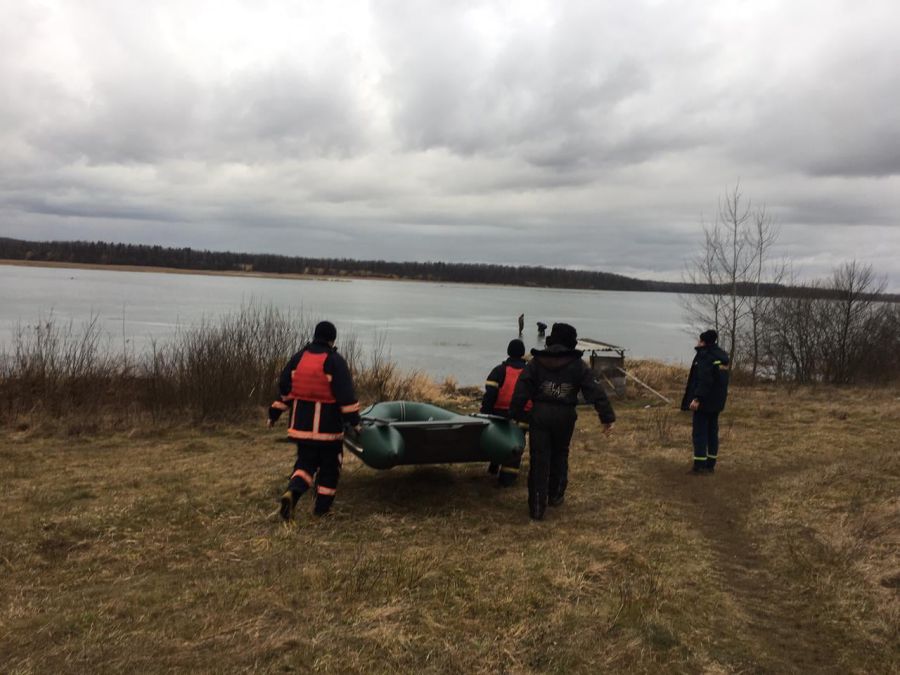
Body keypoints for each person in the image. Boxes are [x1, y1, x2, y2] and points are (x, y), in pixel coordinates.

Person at [510, 323, 615, 520]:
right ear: (571, 342)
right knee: (560, 453)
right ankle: (556, 495)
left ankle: (537, 507)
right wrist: (606, 417)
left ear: (552, 339)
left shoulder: (536, 362)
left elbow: (521, 389)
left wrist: (515, 414)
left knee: (538, 458)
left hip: (540, 414)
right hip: (565, 416)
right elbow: (595, 391)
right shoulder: (577, 364)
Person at [268, 321, 361, 520]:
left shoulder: (298, 358)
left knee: (305, 465)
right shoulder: (335, 361)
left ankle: (292, 492)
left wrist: (273, 414)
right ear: (332, 340)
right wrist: (355, 422)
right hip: (328, 430)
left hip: (301, 428)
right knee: (330, 468)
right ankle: (322, 510)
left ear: (315, 336)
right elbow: (346, 397)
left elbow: (286, 389)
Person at [480, 339, 531, 486]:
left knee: (498, 439)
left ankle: (494, 466)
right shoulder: (530, 372)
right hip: (524, 415)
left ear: (508, 352)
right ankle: (507, 478)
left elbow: (490, 394)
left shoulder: (499, 370)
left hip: (500, 414)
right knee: (516, 444)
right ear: (522, 353)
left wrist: (485, 413)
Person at [680, 329, 730, 474]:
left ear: (704, 342)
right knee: (712, 433)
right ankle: (710, 465)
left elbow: (705, 379)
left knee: (700, 434)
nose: (698, 342)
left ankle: (699, 466)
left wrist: (697, 398)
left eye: (700, 340)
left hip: (704, 402)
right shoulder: (721, 356)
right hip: (717, 402)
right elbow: (720, 380)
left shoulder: (705, 356)